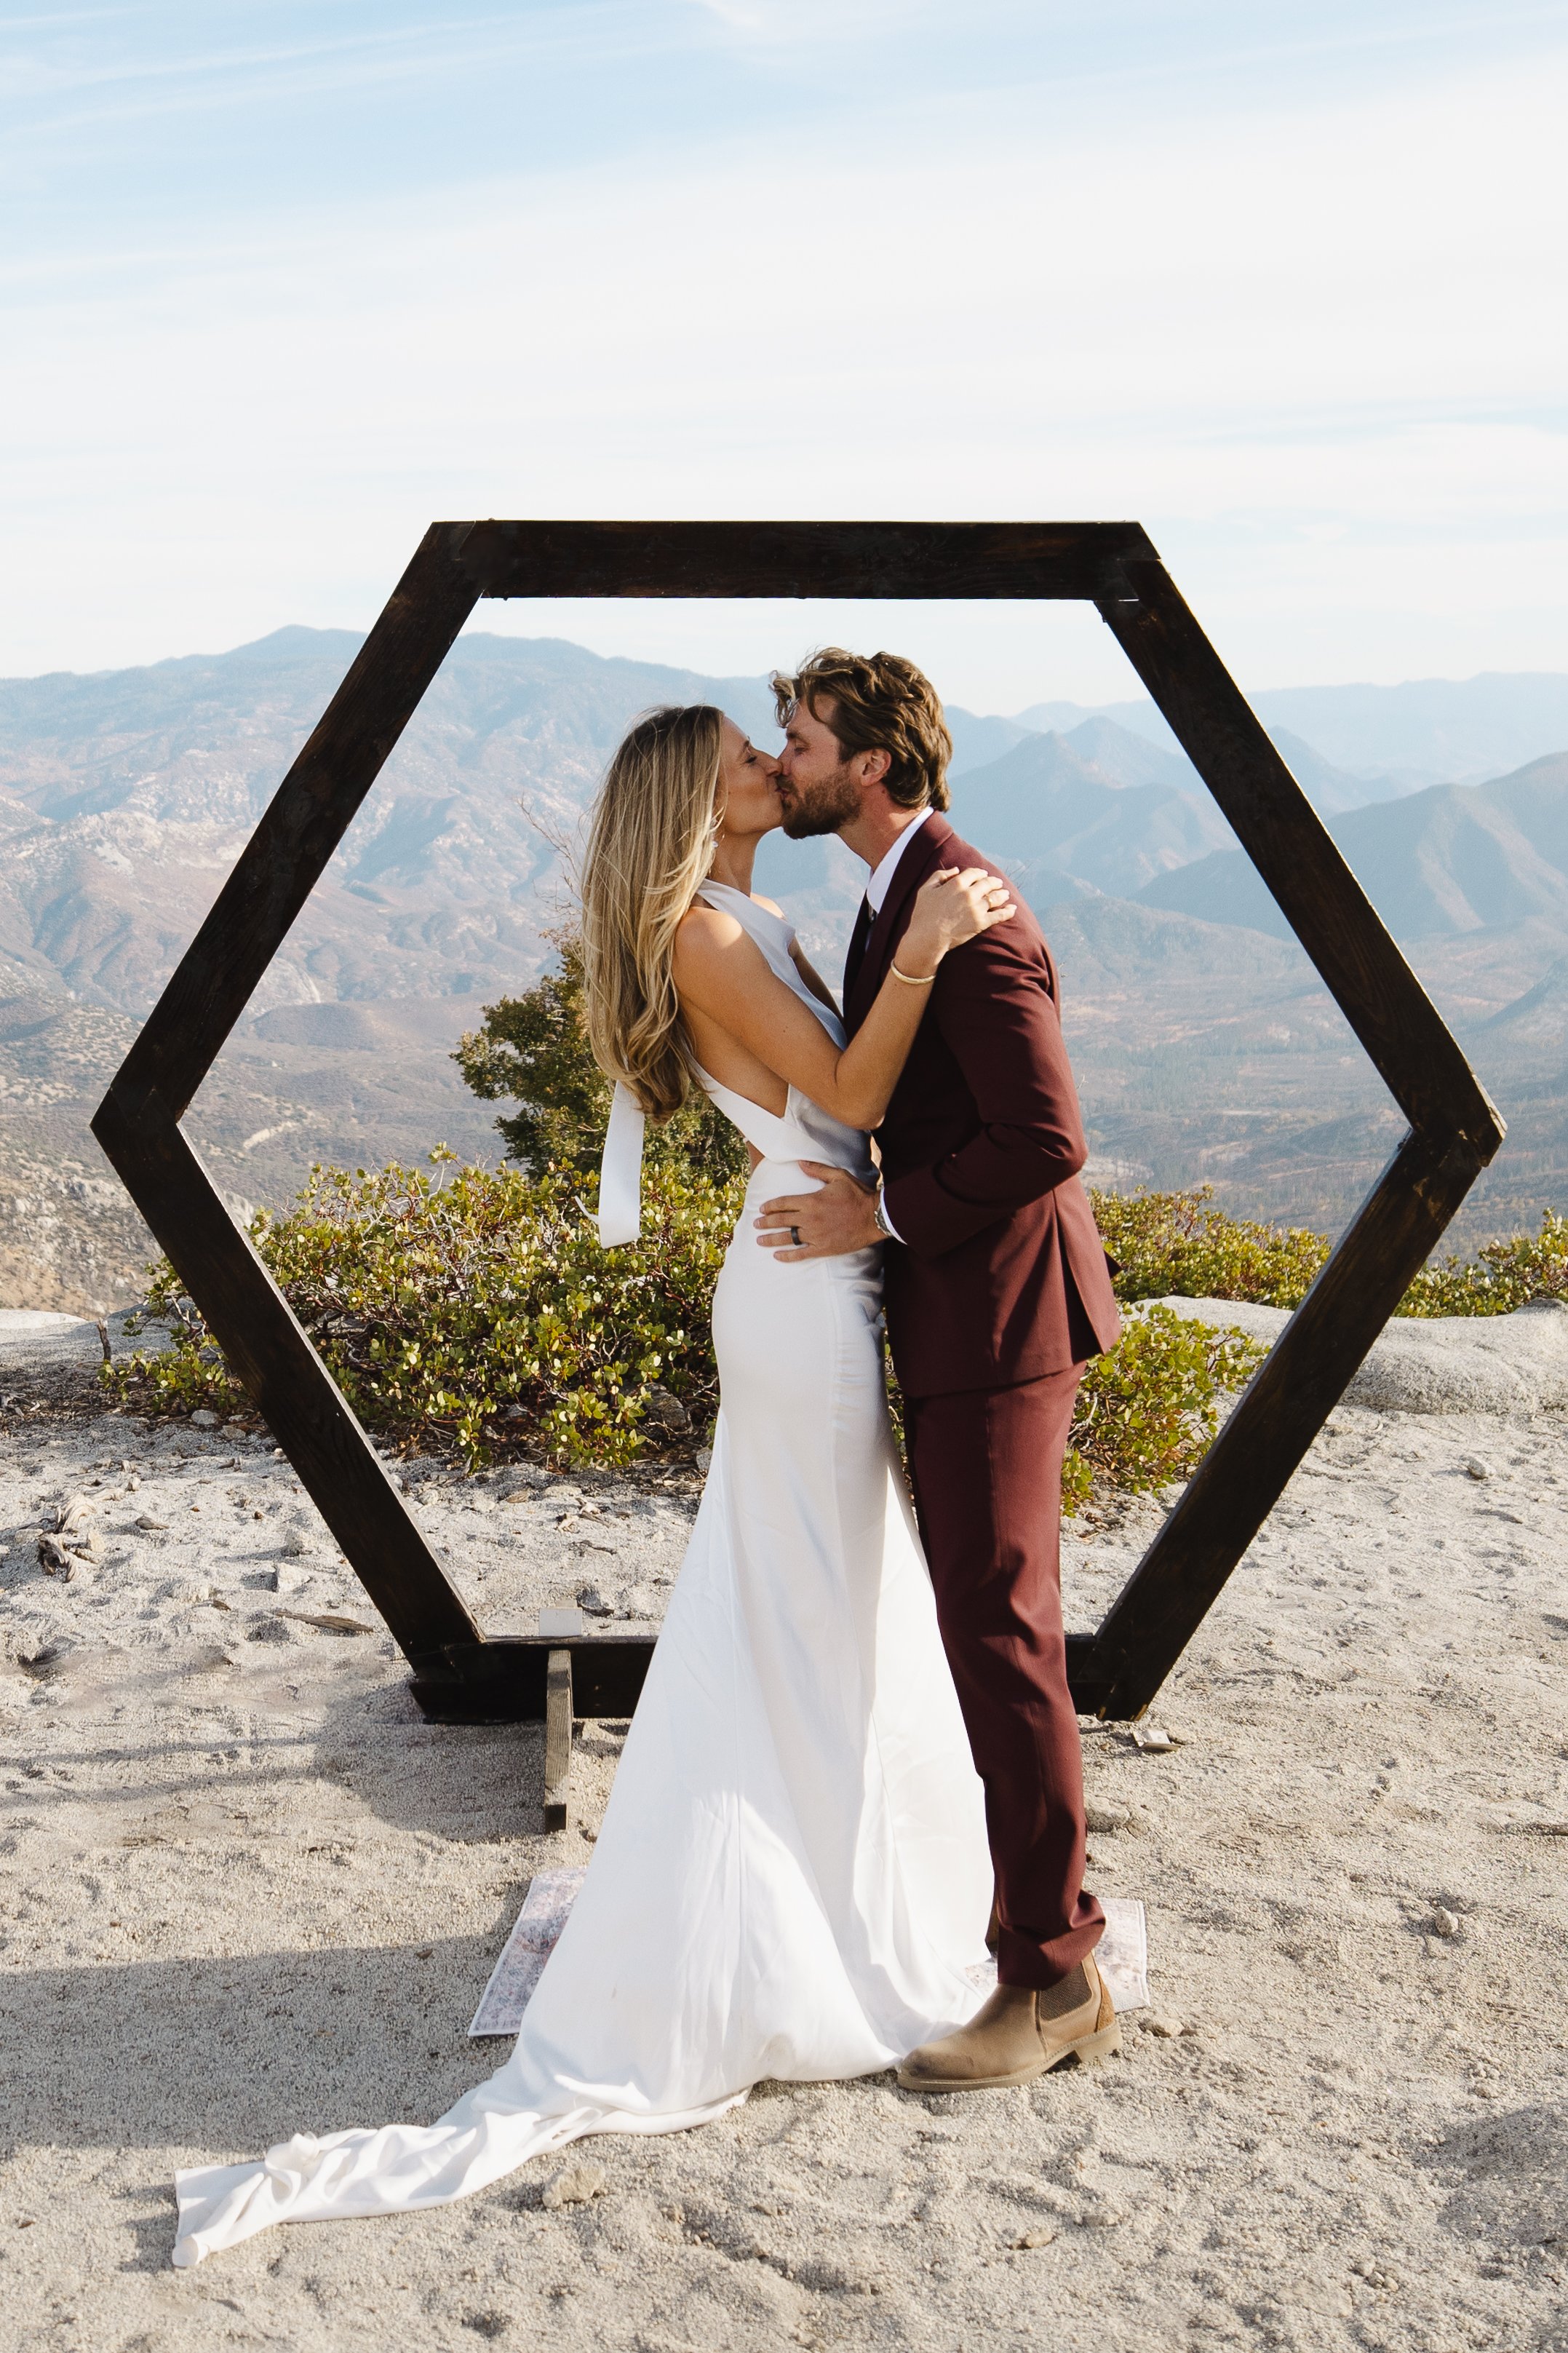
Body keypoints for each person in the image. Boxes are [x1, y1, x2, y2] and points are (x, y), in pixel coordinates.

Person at [170, 700, 1019, 2269]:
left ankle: (841, 1894)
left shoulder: (743, 907)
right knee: (804, 1605)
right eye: (747, 761)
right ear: (695, 803)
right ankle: (777, 1937)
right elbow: (857, 1085)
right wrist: (929, 951)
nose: (777, 763)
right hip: (799, 1298)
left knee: (821, 1607)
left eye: (779, 751)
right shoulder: (703, 933)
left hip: (813, 1268)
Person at [760, 648, 1123, 2091]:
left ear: (869, 762)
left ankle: (1052, 1973)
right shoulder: (898, 891)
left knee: (1001, 1635)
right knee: (989, 1625)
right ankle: (1033, 1938)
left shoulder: (963, 907)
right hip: (961, 1319)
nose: (780, 758)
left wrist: (883, 1214)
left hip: (997, 1322)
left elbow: (1045, 1136)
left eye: (797, 739)